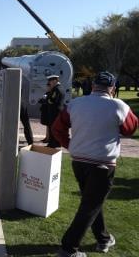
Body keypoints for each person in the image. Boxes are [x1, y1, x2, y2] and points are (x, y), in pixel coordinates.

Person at [52, 71, 138, 257]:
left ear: (93, 86)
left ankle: (103, 238)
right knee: (90, 206)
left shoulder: (75, 104)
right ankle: (68, 248)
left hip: (78, 162)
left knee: (91, 202)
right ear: (113, 88)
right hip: (102, 165)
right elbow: (130, 129)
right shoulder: (118, 106)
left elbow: (57, 128)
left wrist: (71, 145)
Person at [43, 75, 65, 148]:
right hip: (56, 111)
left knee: (52, 128)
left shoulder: (56, 89)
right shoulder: (58, 88)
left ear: (55, 81)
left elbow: (52, 100)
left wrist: (45, 99)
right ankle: (56, 143)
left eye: (51, 81)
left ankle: (52, 144)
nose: (50, 83)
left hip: (54, 111)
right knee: (55, 128)